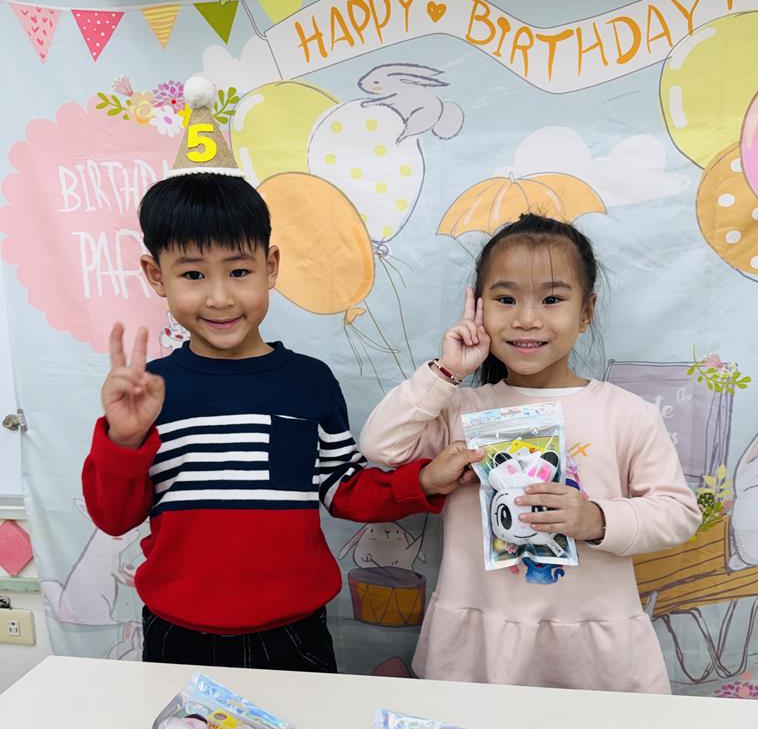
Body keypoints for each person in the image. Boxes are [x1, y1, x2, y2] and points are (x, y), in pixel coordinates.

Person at [82, 77, 480, 671]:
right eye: (192, 275)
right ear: (156, 276)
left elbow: (342, 489)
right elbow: (114, 518)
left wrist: (423, 480)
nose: (220, 296)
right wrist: (123, 439)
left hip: (294, 635)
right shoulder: (148, 394)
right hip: (177, 635)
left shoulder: (308, 382)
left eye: (238, 271)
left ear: (270, 267)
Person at [360, 213, 701, 693]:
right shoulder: (460, 407)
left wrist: (597, 519)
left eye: (552, 299)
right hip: (483, 636)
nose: (526, 318)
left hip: (592, 641)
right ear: (479, 309)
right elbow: (381, 445)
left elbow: (678, 513)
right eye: (506, 299)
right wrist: (447, 372)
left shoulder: (627, 413)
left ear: (586, 312)